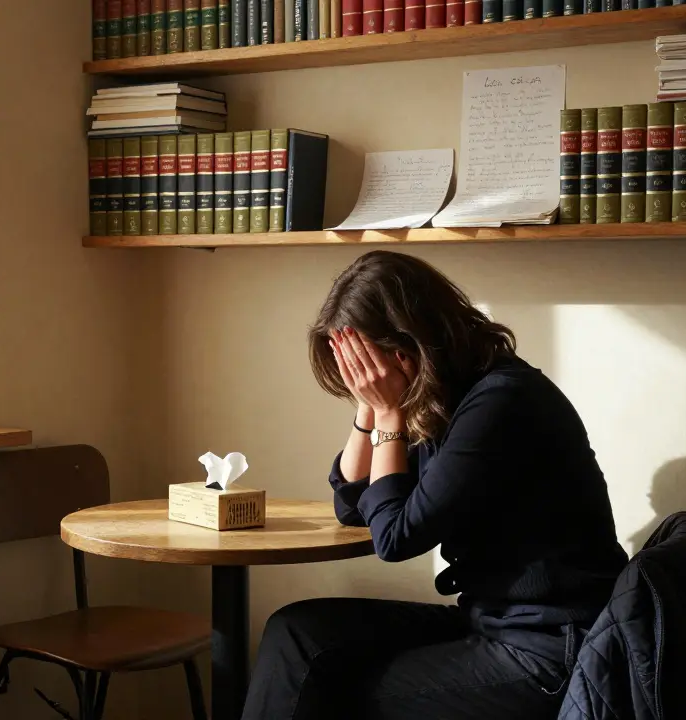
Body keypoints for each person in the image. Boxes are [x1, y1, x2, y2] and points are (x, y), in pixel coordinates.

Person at [242, 251, 629, 720]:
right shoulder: (446, 398)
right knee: (296, 632)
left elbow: (395, 538)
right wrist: (369, 409)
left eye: (366, 366)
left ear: (406, 350)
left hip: (548, 648)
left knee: (330, 687)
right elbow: (354, 505)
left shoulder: (500, 402)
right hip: (491, 621)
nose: (363, 380)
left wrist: (388, 413)